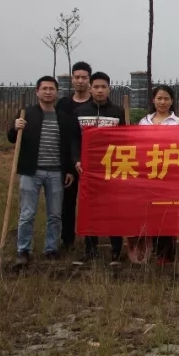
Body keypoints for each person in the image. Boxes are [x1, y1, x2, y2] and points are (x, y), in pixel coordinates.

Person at [8, 76, 80, 268]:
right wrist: (15, 127)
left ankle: (51, 249)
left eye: (52, 89)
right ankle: (23, 250)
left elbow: (68, 147)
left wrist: (69, 170)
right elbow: (12, 138)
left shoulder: (63, 118)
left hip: (56, 172)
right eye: (44, 89)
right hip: (30, 171)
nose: (48, 92)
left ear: (57, 92)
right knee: (27, 213)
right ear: (37, 92)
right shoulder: (26, 114)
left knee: (55, 214)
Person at [72, 71, 127, 267]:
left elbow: (125, 139)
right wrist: (76, 160)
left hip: (112, 169)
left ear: (109, 89)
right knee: (90, 209)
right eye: (96, 87)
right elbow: (74, 140)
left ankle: (116, 251)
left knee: (114, 209)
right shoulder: (80, 112)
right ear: (90, 89)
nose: (100, 90)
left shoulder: (117, 112)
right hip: (88, 170)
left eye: (104, 87)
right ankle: (90, 250)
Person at [135, 85, 179, 265]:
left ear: (172, 101)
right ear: (153, 100)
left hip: (170, 176)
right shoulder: (144, 122)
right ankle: (151, 251)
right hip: (149, 175)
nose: (162, 102)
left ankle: (166, 255)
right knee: (151, 213)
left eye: (166, 99)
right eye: (159, 98)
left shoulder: (178, 123)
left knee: (168, 213)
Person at [55, 61, 92, 252]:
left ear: (89, 80)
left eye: (84, 77)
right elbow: (61, 135)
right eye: (77, 77)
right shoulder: (63, 104)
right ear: (72, 79)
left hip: (92, 163)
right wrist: (67, 165)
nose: (80, 81)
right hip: (69, 162)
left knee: (92, 203)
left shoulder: (95, 104)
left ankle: (91, 241)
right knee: (67, 202)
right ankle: (67, 240)